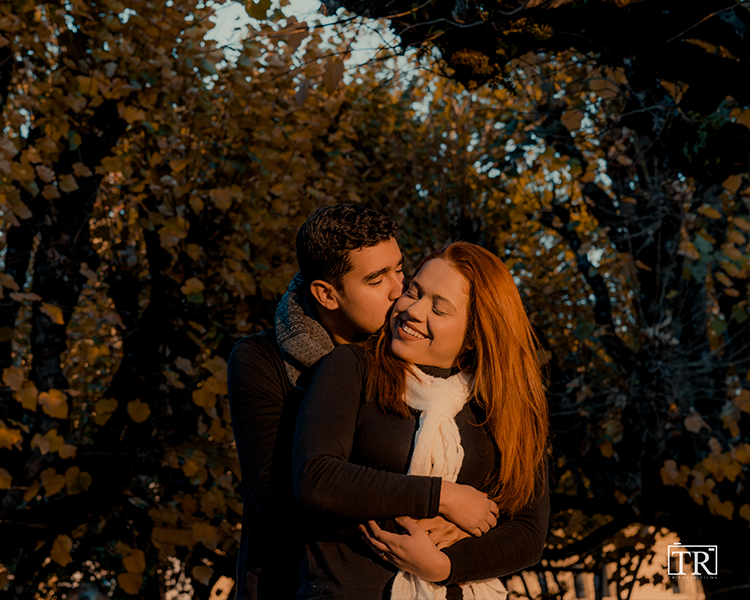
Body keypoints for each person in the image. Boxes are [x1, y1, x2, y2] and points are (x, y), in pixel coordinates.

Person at [293, 241, 551, 599]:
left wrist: (442, 566)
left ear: (475, 336)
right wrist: (442, 498)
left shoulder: (504, 407)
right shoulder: (353, 367)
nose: (412, 310)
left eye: (439, 309)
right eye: (414, 291)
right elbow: (317, 479)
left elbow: (527, 531)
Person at [227, 204, 407, 599]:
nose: (399, 291)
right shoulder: (261, 361)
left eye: (399, 269)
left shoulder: (411, 351)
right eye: (377, 280)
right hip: (291, 583)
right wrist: (423, 517)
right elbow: (282, 503)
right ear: (326, 294)